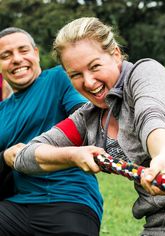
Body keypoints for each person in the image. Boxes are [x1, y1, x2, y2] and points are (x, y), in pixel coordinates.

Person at [14, 17, 165, 236]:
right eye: (76, 75)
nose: (89, 82)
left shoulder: (146, 74)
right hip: (158, 228)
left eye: (95, 66)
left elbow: (152, 116)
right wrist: (73, 155)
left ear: (116, 54)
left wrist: (162, 157)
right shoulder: (88, 117)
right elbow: (26, 155)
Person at [0, 27, 104, 236]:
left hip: (69, 199)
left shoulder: (59, 78)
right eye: (6, 55)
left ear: (36, 53)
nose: (17, 59)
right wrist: (5, 157)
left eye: (23, 50)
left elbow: (86, 119)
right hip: (16, 205)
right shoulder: (2, 111)